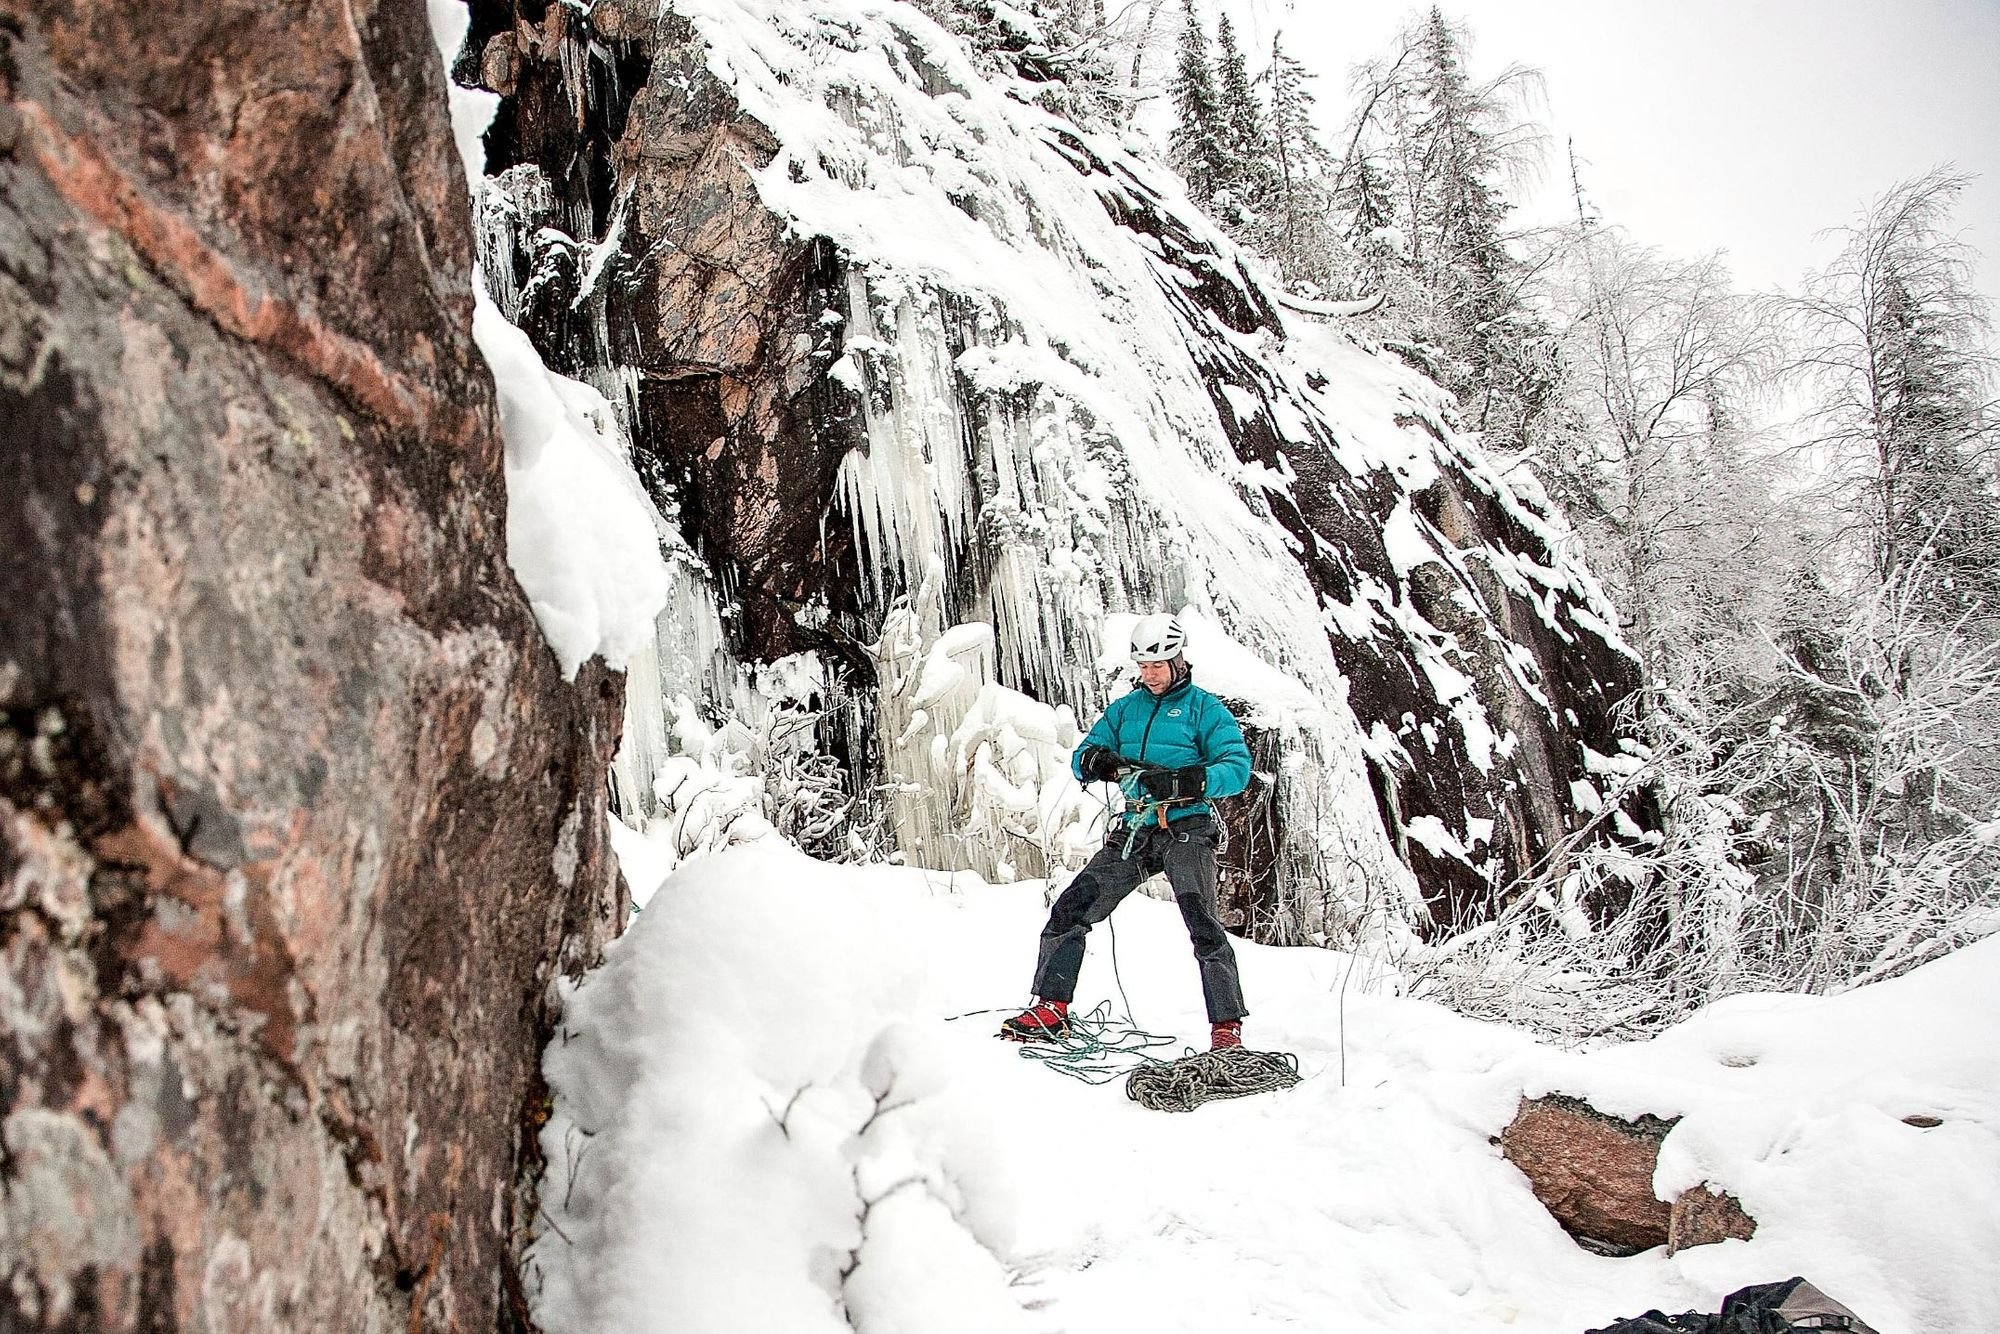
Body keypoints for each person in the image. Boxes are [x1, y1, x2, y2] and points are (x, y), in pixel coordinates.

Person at [1001, 613, 1254, 1050]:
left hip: (1186, 827)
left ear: (1178, 661)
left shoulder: (1205, 710)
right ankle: (1050, 1008)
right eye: (1143, 666)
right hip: (1135, 829)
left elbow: (1236, 769)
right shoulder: (1126, 710)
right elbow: (1083, 755)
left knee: (1203, 926)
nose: (1150, 674)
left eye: (1158, 665)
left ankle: (1226, 1027)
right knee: (1071, 909)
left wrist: (1185, 782)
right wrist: (1099, 761)